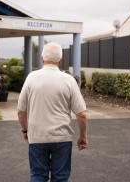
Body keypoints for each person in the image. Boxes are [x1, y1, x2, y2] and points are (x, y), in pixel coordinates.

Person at [17, 42, 88, 182]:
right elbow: (82, 114)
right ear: (60, 60)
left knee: (38, 176)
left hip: (37, 137)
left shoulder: (31, 78)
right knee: (60, 178)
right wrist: (83, 137)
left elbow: (21, 112)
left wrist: (26, 131)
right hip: (62, 138)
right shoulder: (69, 80)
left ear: (42, 57)